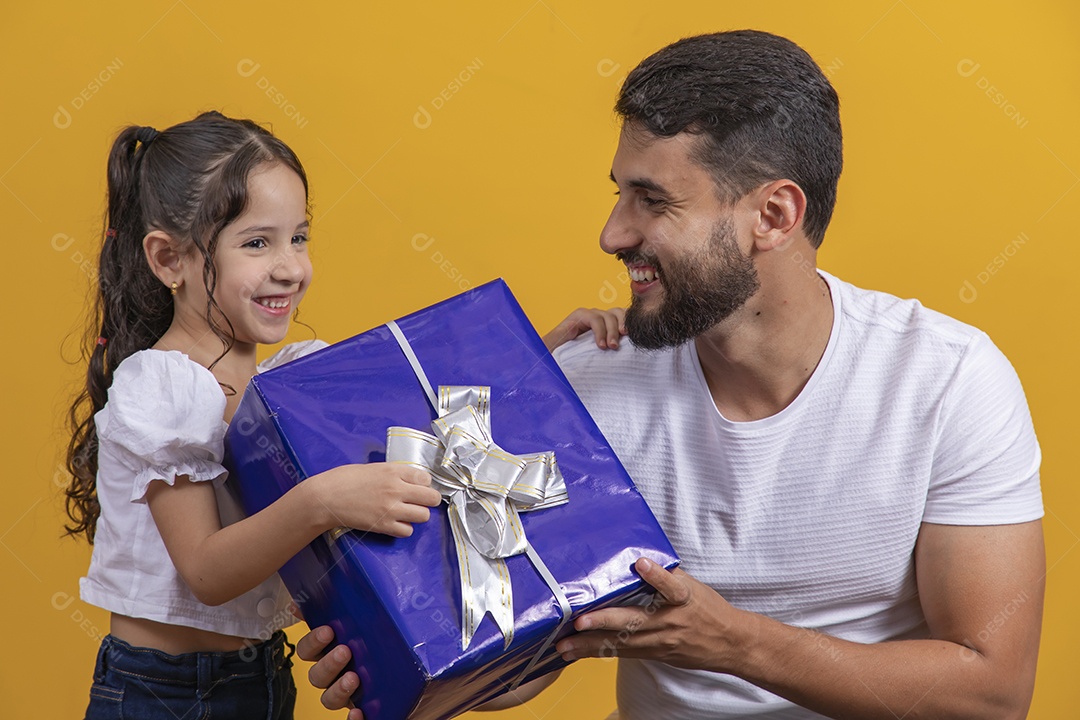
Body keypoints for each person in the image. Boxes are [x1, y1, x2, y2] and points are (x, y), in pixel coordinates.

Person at [299, 30, 1044, 720]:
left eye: (652, 201)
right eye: (620, 191)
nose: (612, 233)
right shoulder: (588, 385)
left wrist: (736, 643)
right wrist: (411, 670)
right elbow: (550, 633)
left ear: (774, 216)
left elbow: (991, 690)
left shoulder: (947, 382)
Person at [63, 111, 443, 719]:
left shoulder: (288, 379)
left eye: (299, 237)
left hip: (264, 679)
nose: (291, 267)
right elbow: (207, 572)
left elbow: (423, 413)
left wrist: (541, 353)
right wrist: (322, 501)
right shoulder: (163, 387)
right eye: (257, 242)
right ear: (169, 260)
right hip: (160, 693)